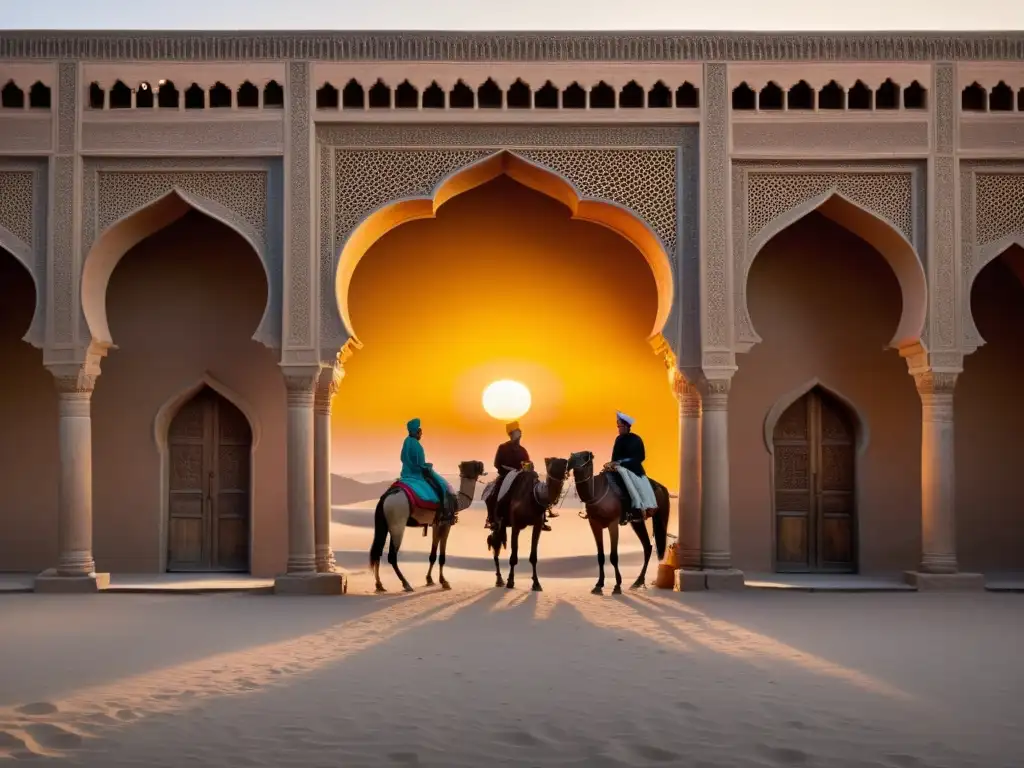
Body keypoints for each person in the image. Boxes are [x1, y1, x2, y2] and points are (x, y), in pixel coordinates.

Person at [485, 421, 556, 531]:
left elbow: (527, 463)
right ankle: (492, 519)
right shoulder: (503, 448)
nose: (520, 433)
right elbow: (497, 463)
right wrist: (510, 469)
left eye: (520, 431)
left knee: (536, 488)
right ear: (511, 434)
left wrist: (528, 467)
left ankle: (542, 517)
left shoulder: (523, 450)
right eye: (517, 431)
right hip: (506, 475)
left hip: (522, 475)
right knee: (494, 493)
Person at [400, 418, 457, 524]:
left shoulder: (409, 442)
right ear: (416, 432)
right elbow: (411, 461)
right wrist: (422, 467)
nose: (421, 435)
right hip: (415, 473)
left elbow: (410, 460)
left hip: (411, 472)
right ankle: (443, 513)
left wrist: (423, 465)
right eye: (420, 433)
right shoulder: (412, 443)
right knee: (440, 484)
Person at [610, 411, 657, 526]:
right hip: (618, 467)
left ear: (626, 426)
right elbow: (614, 456)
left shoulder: (636, 439)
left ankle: (637, 507)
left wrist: (621, 462)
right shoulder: (618, 439)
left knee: (628, 481)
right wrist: (611, 464)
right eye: (618, 427)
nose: (619, 429)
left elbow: (641, 457)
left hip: (634, 469)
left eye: (620, 426)